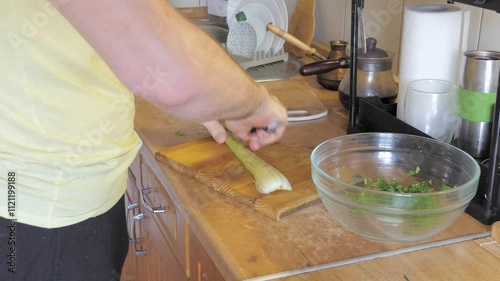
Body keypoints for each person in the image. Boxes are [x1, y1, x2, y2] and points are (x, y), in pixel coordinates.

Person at [0, 0, 288, 280]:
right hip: (47, 212)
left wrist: (207, 98)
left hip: (46, 196)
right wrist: (255, 103)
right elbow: (169, 64)